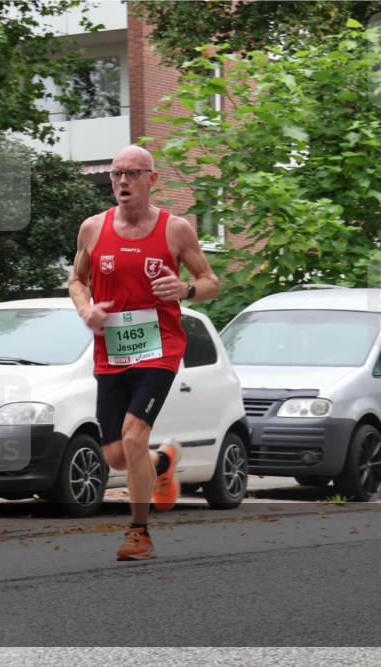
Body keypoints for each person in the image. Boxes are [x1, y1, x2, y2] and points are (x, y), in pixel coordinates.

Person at [68, 145, 220, 560]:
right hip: (111, 351)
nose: (122, 181)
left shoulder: (175, 230)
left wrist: (186, 289)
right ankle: (161, 464)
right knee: (117, 455)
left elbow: (210, 281)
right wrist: (86, 310)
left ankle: (139, 534)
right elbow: (77, 281)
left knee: (134, 435)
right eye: (116, 174)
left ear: (152, 179)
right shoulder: (92, 229)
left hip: (159, 347)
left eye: (132, 173)